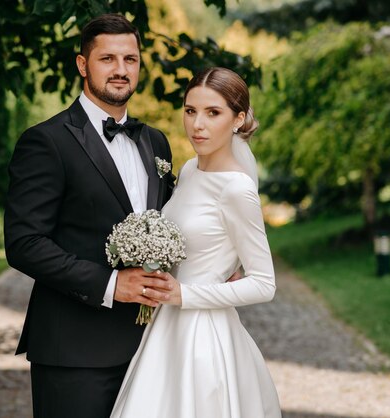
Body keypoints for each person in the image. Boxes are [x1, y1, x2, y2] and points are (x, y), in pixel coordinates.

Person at [3, 13, 177, 418]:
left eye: (130, 59)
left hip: (152, 345)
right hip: (74, 352)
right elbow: (24, 244)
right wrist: (111, 283)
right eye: (108, 59)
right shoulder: (46, 141)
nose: (121, 70)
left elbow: (169, 224)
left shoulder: (156, 142)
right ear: (83, 64)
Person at [110, 67, 282, 417]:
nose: (197, 124)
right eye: (190, 111)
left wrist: (184, 294)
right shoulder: (189, 170)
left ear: (238, 119)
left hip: (203, 337)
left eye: (213, 113)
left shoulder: (237, 188)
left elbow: (264, 284)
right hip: (164, 327)